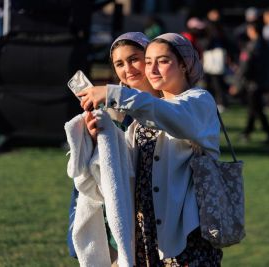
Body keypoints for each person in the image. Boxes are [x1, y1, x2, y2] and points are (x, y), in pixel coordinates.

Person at [78, 33, 223, 266]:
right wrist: (99, 139)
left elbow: (171, 115)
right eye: (148, 62)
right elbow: (123, 172)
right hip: (147, 234)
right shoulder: (139, 118)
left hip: (185, 235)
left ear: (184, 65)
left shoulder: (199, 101)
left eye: (163, 61)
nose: (152, 69)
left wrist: (113, 93)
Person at [67, 32, 159, 263]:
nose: (128, 68)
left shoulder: (169, 104)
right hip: (122, 216)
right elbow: (98, 168)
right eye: (119, 63)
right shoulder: (111, 109)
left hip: (163, 215)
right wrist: (93, 135)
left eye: (134, 59)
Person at [231, 21, 269, 144]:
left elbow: (245, 67)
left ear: (253, 31)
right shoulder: (266, 45)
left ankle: (268, 134)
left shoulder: (251, 46)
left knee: (256, 109)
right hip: (262, 82)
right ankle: (248, 132)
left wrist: (237, 84)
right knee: (254, 108)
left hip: (253, 84)